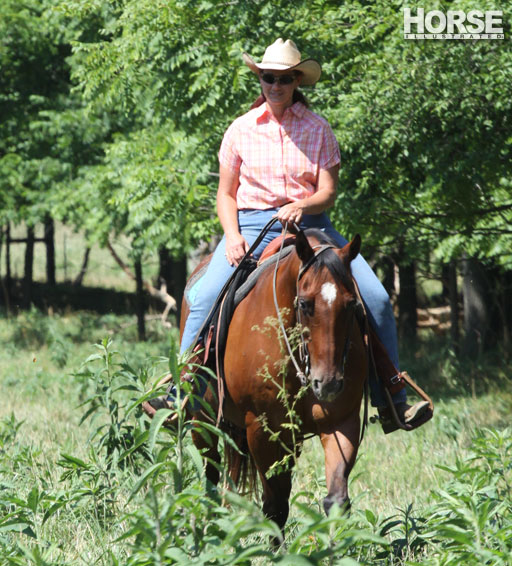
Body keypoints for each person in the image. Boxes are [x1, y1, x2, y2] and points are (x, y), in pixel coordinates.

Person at [144, 39, 430, 433]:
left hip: (313, 227)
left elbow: (328, 190)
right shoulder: (240, 130)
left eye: (282, 78)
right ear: (259, 78)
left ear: (297, 80)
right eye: (267, 77)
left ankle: (392, 399)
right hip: (252, 227)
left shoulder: (318, 129)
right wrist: (231, 236)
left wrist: (305, 205)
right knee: (201, 296)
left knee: (377, 299)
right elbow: (225, 194)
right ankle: (183, 395)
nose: (274, 85)